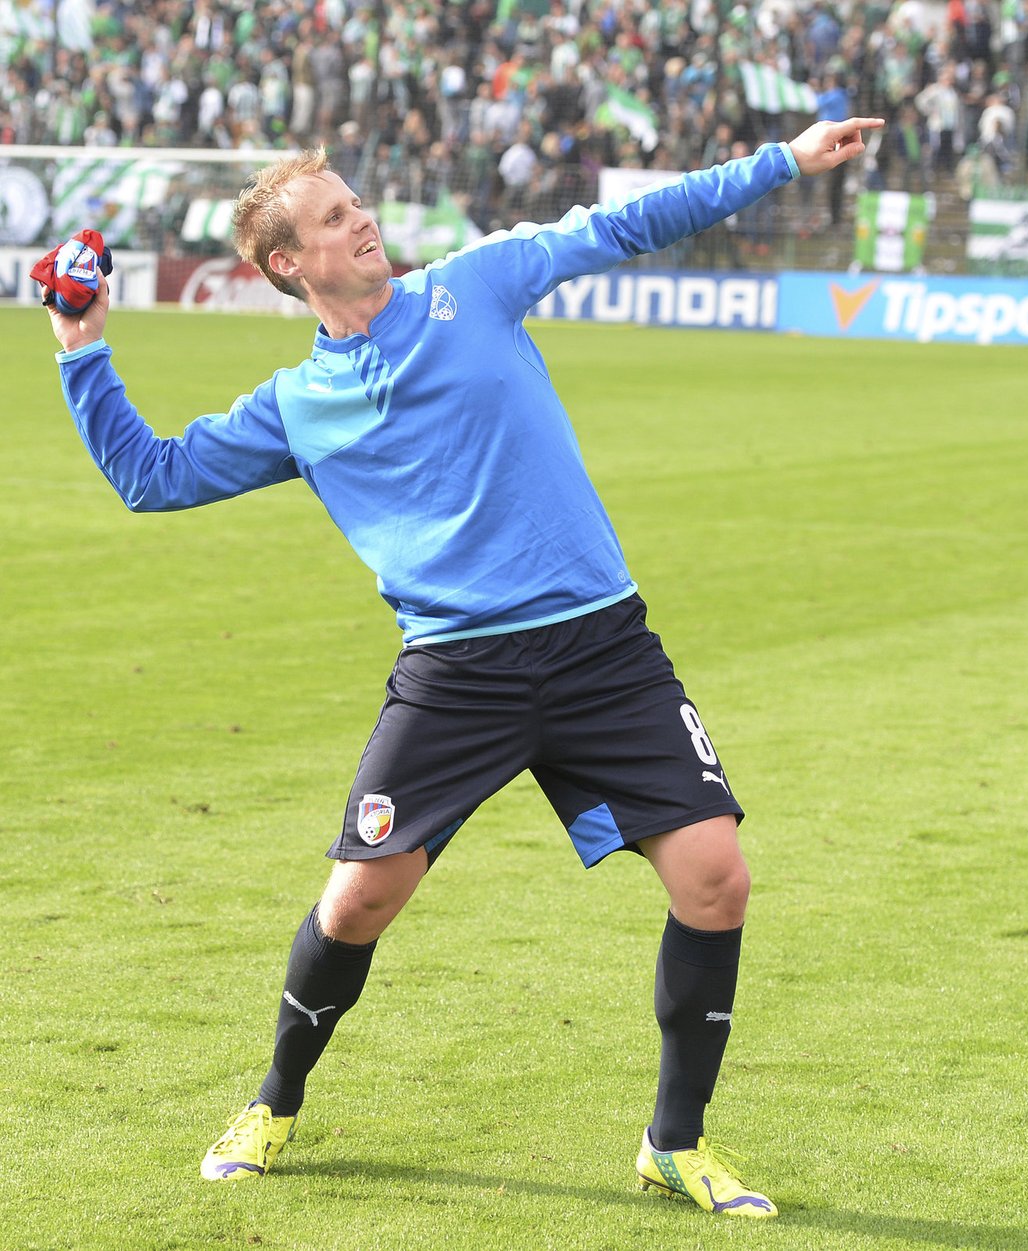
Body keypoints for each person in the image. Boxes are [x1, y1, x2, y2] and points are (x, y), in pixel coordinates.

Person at [43, 114, 883, 1219]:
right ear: (288, 264)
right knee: (355, 905)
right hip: (458, 672)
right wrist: (82, 344)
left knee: (717, 880)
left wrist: (784, 161)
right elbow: (152, 478)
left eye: (359, 204)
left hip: (602, 647)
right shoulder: (297, 406)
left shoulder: (475, 284)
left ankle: (674, 1144)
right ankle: (275, 1100)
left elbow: (628, 223)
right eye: (336, 217)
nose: (364, 220)